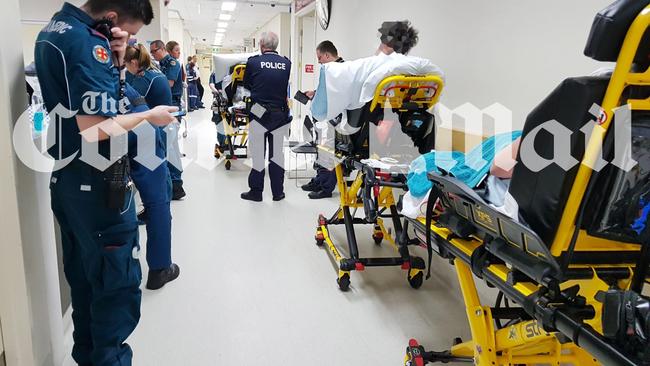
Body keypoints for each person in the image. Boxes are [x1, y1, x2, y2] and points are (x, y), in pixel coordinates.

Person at [34, 1, 177, 365]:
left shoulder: (54, 29)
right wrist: (150, 115)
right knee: (116, 291)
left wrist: (116, 66)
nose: (129, 41)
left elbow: (86, 102)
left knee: (84, 284)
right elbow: (96, 128)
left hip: (68, 180)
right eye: (130, 30)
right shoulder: (87, 44)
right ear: (112, 18)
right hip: (99, 186)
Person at [124, 44, 180, 290]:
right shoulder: (147, 75)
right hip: (144, 132)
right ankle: (159, 268)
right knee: (158, 202)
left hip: (124, 132)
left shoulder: (136, 79)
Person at [240, 32, 292, 202]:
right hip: (279, 112)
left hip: (259, 110)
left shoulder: (253, 62)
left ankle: (256, 192)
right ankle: (278, 193)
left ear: (262, 44)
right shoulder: (286, 63)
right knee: (277, 154)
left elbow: (247, 84)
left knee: (257, 153)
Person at [301, 40, 344, 199]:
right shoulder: (331, 69)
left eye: (319, 57)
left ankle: (326, 188)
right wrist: (315, 93)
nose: (318, 61)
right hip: (325, 117)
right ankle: (319, 181)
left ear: (327, 55)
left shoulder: (337, 70)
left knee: (328, 153)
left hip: (333, 119)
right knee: (321, 152)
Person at [150, 39, 186, 200]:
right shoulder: (160, 64)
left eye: (154, 51)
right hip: (164, 107)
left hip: (171, 108)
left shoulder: (172, 63)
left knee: (170, 148)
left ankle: (176, 185)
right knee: (169, 148)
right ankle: (175, 185)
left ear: (162, 49)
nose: (152, 54)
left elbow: (168, 84)